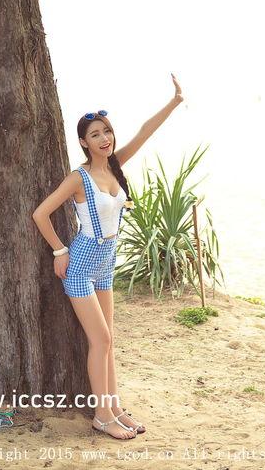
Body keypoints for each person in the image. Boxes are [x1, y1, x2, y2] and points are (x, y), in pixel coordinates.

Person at [32, 73, 183, 440]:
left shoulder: (115, 165)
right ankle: (102, 416)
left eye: (107, 132)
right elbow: (41, 214)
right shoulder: (79, 177)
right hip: (81, 264)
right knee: (100, 340)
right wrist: (59, 251)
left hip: (106, 261)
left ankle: (115, 408)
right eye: (96, 134)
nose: (105, 138)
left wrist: (175, 101)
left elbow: (144, 133)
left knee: (109, 339)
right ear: (84, 142)